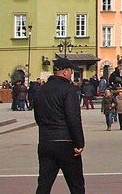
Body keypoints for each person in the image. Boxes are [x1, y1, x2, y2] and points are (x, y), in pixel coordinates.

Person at [34, 57, 85, 194]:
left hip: (45, 141)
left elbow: (37, 117)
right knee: (76, 185)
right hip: (66, 143)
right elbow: (73, 118)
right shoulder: (68, 90)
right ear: (65, 72)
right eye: (71, 71)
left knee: (44, 184)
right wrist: (79, 143)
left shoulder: (41, 90)